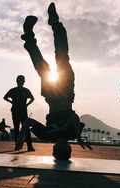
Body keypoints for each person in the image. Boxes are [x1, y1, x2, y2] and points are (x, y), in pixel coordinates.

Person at [17, 2, 91, 160]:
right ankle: (56, 24)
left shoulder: (46, 136)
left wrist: (21, 136)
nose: (63, 146)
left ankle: (29, 36)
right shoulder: (71, 134)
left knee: (42, 67)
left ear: (55, 148)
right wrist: (78, 137)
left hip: (51, 96)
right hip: (67, 93)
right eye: (66, 148)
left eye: (60, 149)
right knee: (63, 57)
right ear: (70, 148)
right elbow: (74, 118)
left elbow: (29, 121)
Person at [4, 75, 35, 151]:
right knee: (25, 129)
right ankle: (28, 146)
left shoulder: (13, 90)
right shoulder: (25, 90)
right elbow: (32, 99)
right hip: (22, 111)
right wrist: (26, 105)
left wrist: (12, 102)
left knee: (17, 129)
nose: (21, 82)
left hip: (16, 111)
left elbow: (5, 97)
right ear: (22, 82)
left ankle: (19, 146)